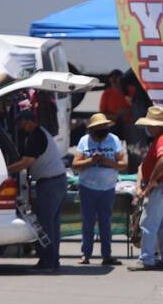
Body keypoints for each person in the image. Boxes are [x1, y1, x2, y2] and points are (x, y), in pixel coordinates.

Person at [8, 108, 67, 272]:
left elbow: (26, 162)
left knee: (45, 224)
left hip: (50, 183)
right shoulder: (41, 133)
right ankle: (53, 261)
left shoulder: (36, 136)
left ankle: (47, 262)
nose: (21, 127)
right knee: (53, 224)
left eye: (22, 123)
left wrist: (6, 169)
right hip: (57, 181)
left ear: (29, 122)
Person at [72, 114, 127, 266]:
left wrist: (107, 161)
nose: (102, 131)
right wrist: (91, 160)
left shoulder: (114, 140)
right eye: (98, 129)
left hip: (107, 187)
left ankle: (106, 255)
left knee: (105, 222)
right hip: (87, 187)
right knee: (87, 222)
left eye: (104, 128)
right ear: (92, 130)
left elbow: (123, 164)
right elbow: (75, 165)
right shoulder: (84, 141)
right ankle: (86, 254)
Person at [130, 106, 163, 272]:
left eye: (151, 125)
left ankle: (147, 259)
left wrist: (152, 180)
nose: (149, 128)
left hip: (162, 185)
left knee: (148, 223)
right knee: (162, 224)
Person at [99, 69, 133, 139]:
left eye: (117, 80)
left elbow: (138, 108)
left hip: (129, 123)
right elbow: (102, 113)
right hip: (113, 125)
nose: (115, 83)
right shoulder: (107, 93)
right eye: (113, 80)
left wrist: (127, 111)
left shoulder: (131, 90)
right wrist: (115, 116)